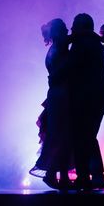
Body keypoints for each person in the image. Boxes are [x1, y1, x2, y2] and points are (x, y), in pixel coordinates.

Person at [67, 13, 104, 191]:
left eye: (74, 24)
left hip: (87, 98)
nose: (71, 28)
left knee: (81, 137)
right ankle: (95, 176)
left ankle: (85, 177)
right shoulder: (95, 43)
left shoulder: (82, 44)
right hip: (98, 98)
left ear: (80, 26)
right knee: (88, 137)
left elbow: (71, 69)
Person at [29, 18, 74, 190]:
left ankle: (59, 175)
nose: (68, 31)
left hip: (56, 95)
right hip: (61, 96)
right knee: (62, 134)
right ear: (59, 31)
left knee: (60, 134)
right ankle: (53, 174)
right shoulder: (60, 47)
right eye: (64, 28)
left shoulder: (53, 49)